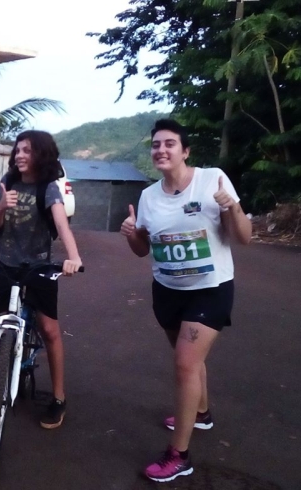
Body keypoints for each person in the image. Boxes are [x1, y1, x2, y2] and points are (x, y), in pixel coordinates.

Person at [120, 119, 252, 482]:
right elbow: (142, 250)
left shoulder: (213, 180)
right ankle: (203, 414)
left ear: (185, 150)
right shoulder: (149, 196)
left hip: (211, 288)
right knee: (190, 363)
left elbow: (244, 238)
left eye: (169, 144)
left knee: (184, 364)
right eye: (156, 145)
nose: (161, 150)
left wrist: (232, 208)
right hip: (167, 290)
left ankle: (179, 456)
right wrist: (132, 233)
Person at [0, 130, 83, 429]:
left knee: (49, 330)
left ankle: (58, 398)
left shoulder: (48, 188)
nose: (20, 155)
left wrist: (74, 258)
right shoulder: (7, 183)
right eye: (18, 150)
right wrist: (1, 205)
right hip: (7, 265)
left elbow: (62, 226)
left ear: (41, 154)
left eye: (27, 150)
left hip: (39, 267)